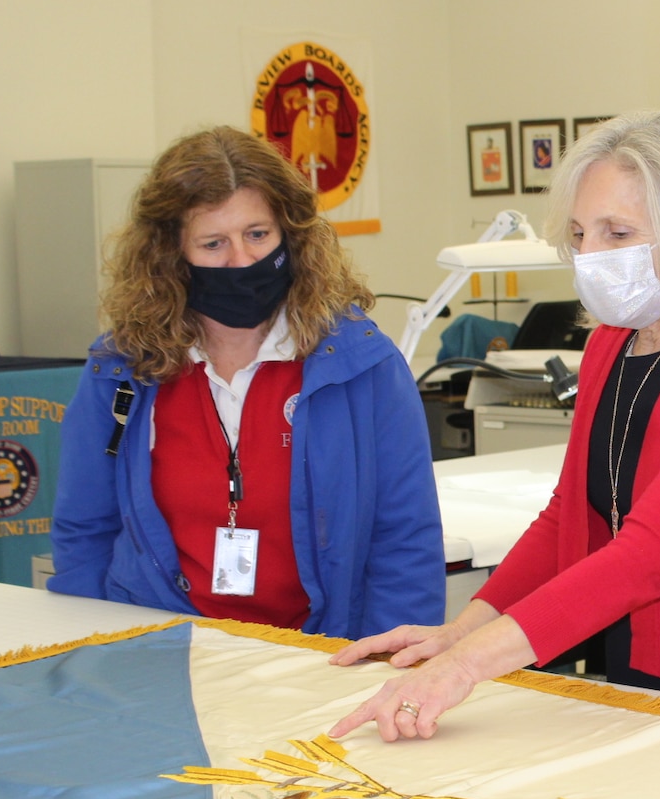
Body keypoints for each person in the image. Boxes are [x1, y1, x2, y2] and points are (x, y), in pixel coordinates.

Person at [328, 111, 660, 741]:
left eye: (617, 233)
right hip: (641, 675)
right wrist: (459, 632)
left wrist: (466, 668)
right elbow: (568, 519)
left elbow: (650, 553)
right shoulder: (612, 344)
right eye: (580, 234)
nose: (589, 256)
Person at [49, 126, 444, 637]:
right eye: (213, 243)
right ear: (171, 256)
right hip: (161, 650)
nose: (241, 261)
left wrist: (388, 664)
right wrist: (93, 651)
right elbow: (85, 527)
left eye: (258, 235)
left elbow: (405, 537)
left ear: (291, 232)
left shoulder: (361, 363)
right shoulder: (122, 368)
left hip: (320, 653)